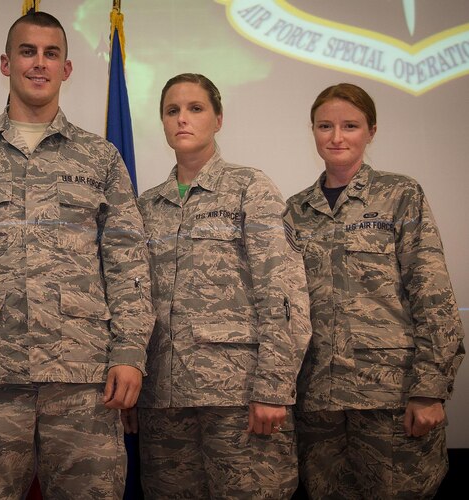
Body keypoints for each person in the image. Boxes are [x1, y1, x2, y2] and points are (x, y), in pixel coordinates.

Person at [0, 11, 154, 500]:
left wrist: (130, 352)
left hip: (85, 381)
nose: (39, 63)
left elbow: (128, 263)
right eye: (28, 52)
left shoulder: (101, 158)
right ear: (6, 63)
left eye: (51, 54)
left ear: (66, 69)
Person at [133, 73, 311, 498]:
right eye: (172, 111)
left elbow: (284, 293)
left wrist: (272, 386)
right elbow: (133, 299)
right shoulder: (146, 205)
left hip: (239, 399)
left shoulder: (250, 188)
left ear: (218, 119)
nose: (182, 119)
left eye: (195, 109)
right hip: (163, 401)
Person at [287, 83, 465, 499]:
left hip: (390, 396)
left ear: (372, 131)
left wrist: (428, 390)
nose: (336, 137)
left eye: (350, 125)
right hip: (318, 403)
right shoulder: (295, 210)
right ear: (312, 131)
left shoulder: (400, 195)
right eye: (325, 126)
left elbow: (433, 296)